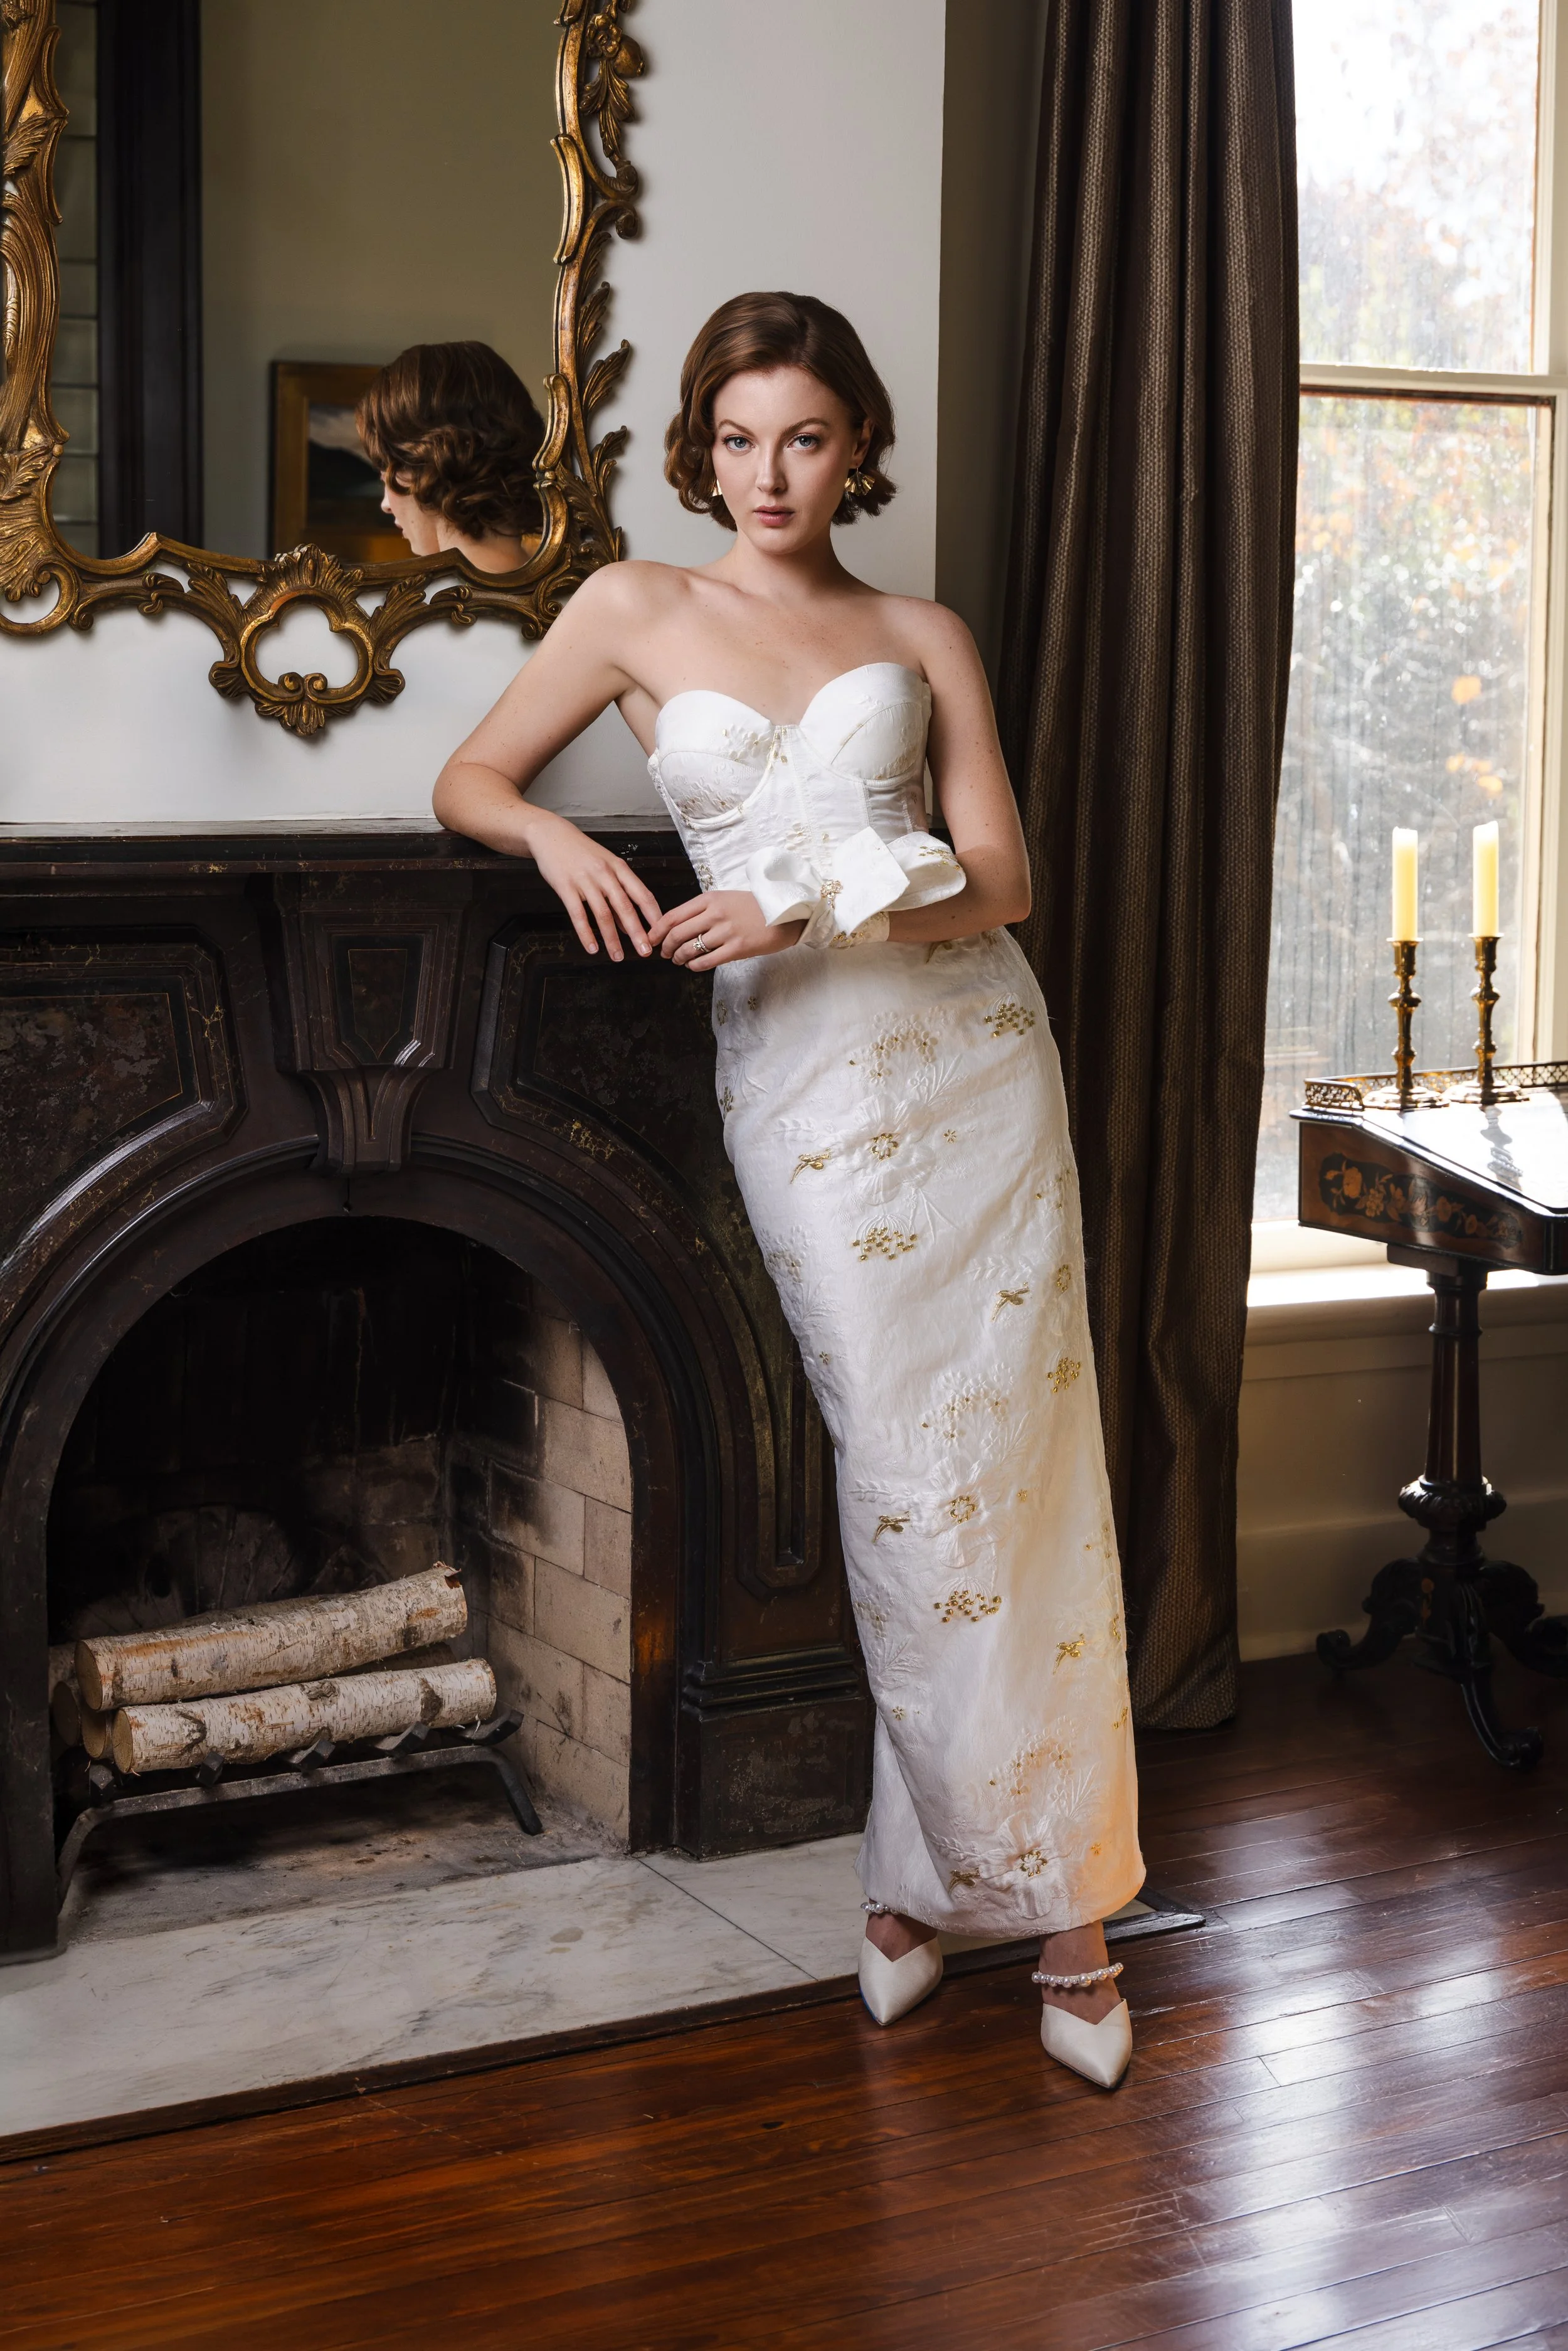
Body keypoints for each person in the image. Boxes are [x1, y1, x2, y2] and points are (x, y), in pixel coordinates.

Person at [432, 290, 1143, 2091]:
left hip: (974, 1066)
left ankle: (1062, 1912)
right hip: (809, 1096)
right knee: (906, 1481)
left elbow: (1002, 879)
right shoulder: (630, 607)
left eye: (805, 437)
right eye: (739, 438)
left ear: (855, 446)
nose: (770, 474)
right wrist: (565, 833)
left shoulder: (920, 627)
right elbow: (466, 774)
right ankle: (919, 1877)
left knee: (1019, 1472)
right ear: (699, 444)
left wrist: (804, 894)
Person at [356, 340, 545, 575]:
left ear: (430, 463)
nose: (386, 505)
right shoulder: (573, 593)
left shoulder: (418, 607)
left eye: (387, 471)